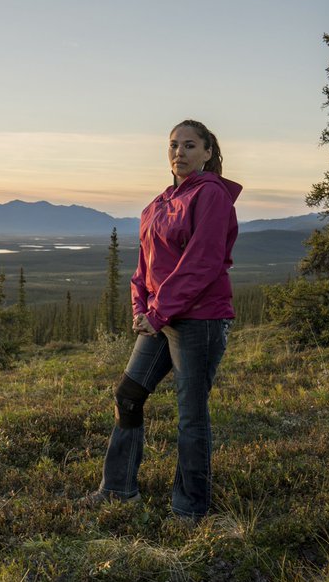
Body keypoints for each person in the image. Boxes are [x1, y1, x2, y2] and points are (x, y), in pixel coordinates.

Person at [84, 119, 242, 521]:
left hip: (200, 320)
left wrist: (158, 312)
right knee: (128, 396)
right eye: (174, 145)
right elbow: (145, 267)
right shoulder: (157, 205)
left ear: (208, 152)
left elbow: (202, 263)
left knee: (191, 414)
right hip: (160, 317)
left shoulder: (211, 196)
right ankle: (119, 490)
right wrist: (141, 307)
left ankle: (190, 510)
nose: (179, 153)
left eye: (190, 146)